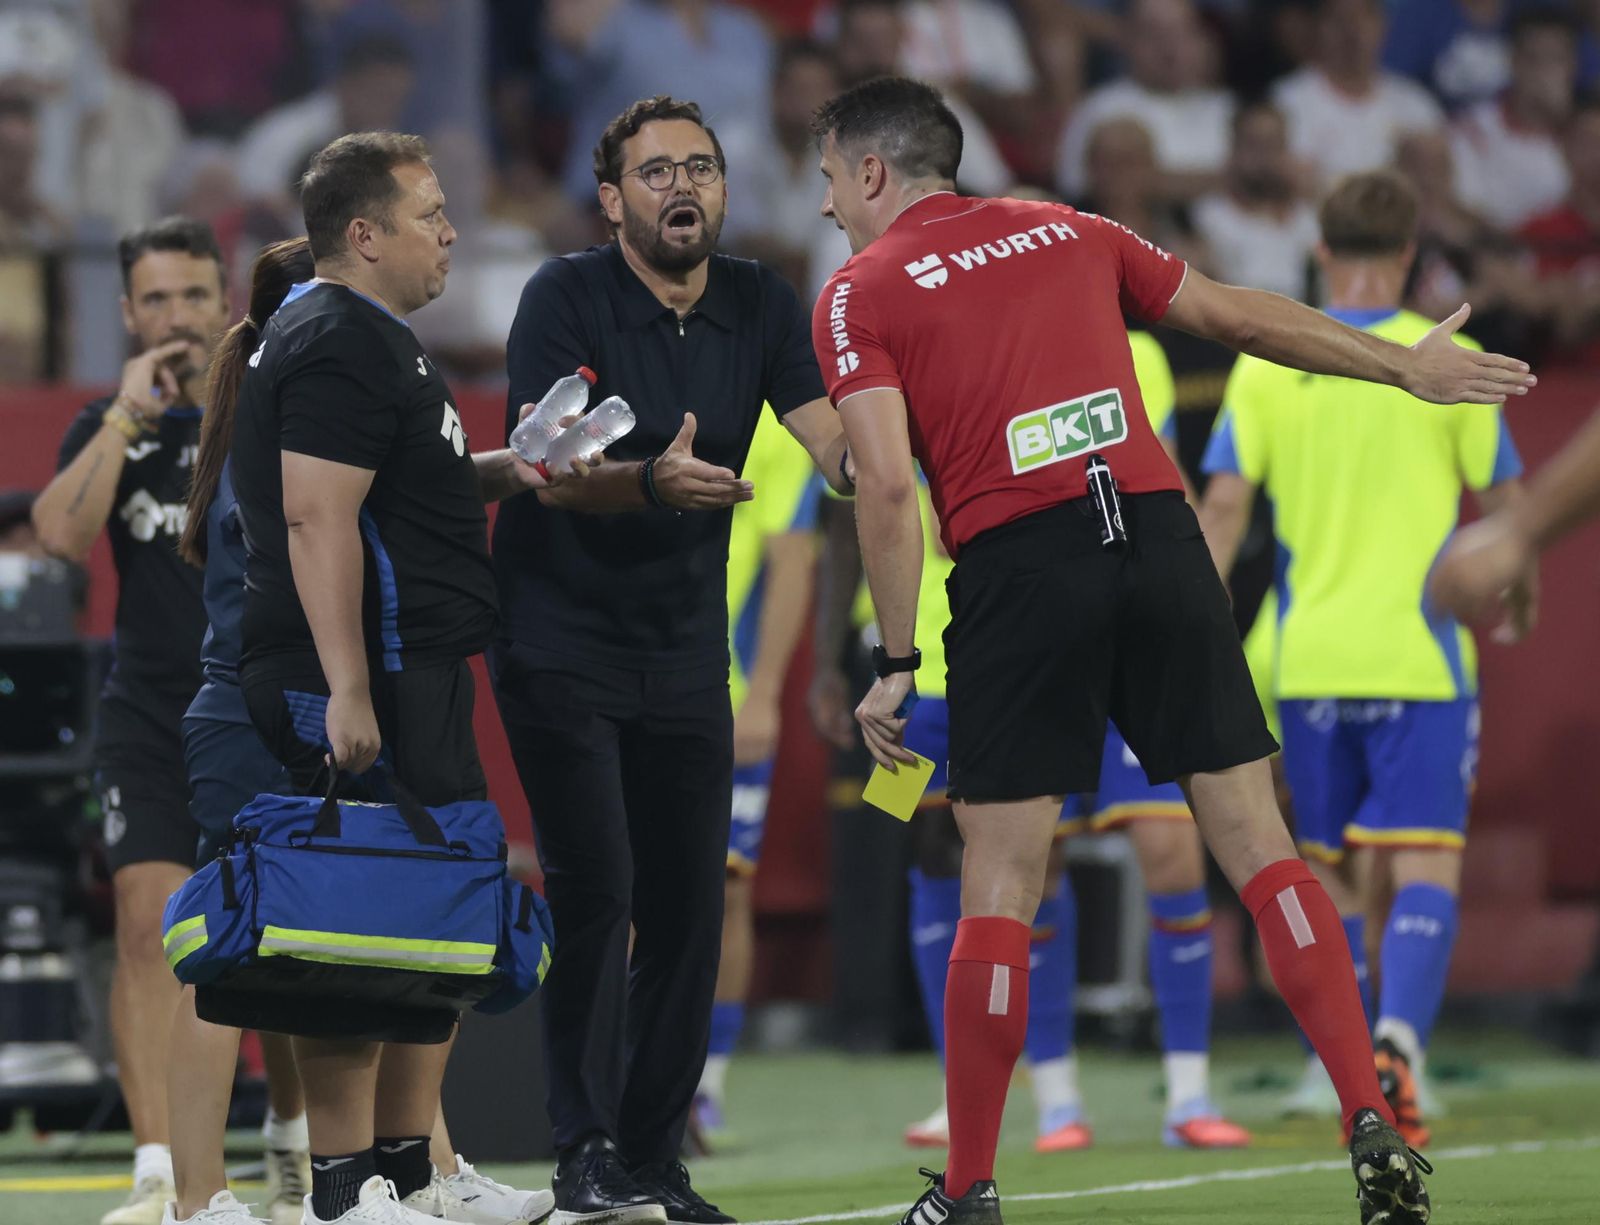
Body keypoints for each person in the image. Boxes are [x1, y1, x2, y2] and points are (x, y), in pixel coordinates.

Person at [807, 75, 1532, 1225]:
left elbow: (885, 485)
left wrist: (894, 661)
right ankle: (1369, 1120)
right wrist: (1401, 364)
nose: (831, 209)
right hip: (1154, 532)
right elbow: (1241, 316)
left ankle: (968, 1189)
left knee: (999, 875)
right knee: (1256, 838)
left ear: (874, 173)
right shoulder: (1070, 226)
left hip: (1017, 564)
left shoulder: (859, 288)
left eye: (833, 183)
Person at [490, 94, 850, 1225]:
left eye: (700, 167)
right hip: (559, 637)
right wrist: (649, 478)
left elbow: (829, 437)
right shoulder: (564, 296)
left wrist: (886, 454)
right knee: (599, 893)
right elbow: (541, 468)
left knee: (692, 908)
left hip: (687, 649)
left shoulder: (760, 300)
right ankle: (583, 1151)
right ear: (611, 201)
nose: (681, 187)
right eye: (655, 173)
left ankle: (652, 1157)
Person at [229, 132, 580, 1225]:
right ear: (365, 234)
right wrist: (345, 688)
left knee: (434, 915)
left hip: (413, 667)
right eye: (430, 213)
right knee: (353, 919)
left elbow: (384, 494)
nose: (452, 233)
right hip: (360, 673)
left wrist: (502, 473)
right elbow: (313, 514)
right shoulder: (335, 337)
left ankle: (416, 1175)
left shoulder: (375, 337)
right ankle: (345, 1191)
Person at [1197, 170, 1533, 1150]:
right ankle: (1397, 1045)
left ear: (1319, 251)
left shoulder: (1269, 365)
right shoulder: (1452, 357)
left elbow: (1222, 508)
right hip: (1417, 655)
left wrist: (1192, 625)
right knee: (1423, 859)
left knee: (1329, 870)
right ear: (1411, 254)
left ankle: (1333, 1067)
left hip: (1306, 659)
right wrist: (1522, 588)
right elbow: (1505, 505)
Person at [898, 333, 1249, 1156]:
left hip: (1088, 637)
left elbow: (1154, 481)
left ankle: (1190, 1090)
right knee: (943, 855)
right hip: (935, 662)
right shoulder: (921, 351)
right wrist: (868, 659)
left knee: (1169, 850)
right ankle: (1043, 1098)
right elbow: (874, 504)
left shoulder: (1134, 353)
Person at [31, 216, 229, 1225]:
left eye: (193, 295)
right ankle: (158, 1170)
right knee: (148, 926)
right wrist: (120, 416)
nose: (177, 318)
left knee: (267, 939)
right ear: (127, 314)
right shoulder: (115, 424)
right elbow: (58, 537)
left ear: (223, 299)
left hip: (257, 711)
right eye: (155, 300)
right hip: (150, 709)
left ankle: (281, 1150)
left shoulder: (263, 410)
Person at [691, 412, 821, 1146]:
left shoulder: (775, 421)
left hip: (729, 696)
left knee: (727, 886)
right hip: (637, 688)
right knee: (636, 890)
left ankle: (705, 1084)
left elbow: (793, 559)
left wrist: (767, 691)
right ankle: (632, 1069)